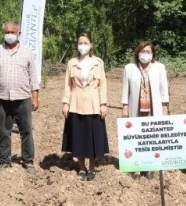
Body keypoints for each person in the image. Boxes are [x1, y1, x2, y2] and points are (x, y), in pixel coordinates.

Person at [0, 21, 40, 177]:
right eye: (7, 32)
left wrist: (35, 97)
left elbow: (33, 76)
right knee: (4, 130)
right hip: (3, 98)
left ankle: (28, 161)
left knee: (26, 131)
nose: (10, 34)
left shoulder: (27, 52)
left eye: (13, 32)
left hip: (23, 97)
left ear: (19, 34)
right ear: (3, 33)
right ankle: (4, 160)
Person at [61, 33, 110, 181]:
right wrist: (66, 103)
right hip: (76, 105)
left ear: (91, 45)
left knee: (93, 138)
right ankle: (81, 167)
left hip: (93, 105)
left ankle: (92, 168)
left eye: (85, 42)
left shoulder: (98, 63)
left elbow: (103, 85)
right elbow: (68, 86)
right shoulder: (72, 63)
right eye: (80, 43)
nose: (82, 45)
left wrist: (103, 104)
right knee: (79, 138)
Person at [120, 41, 169, 180]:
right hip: (136, 108)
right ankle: (136, 167)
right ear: (137, 53)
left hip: (154, 108)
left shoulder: (159, 68)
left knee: (151, 137)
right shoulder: (129, 68)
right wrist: (125, 107)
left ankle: (150, 166)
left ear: (152, 54)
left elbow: (163, 88)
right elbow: (125, 90)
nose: (145, 54)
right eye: (142, 51)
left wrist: (165, 106)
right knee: (136, 137)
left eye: (148, 51)